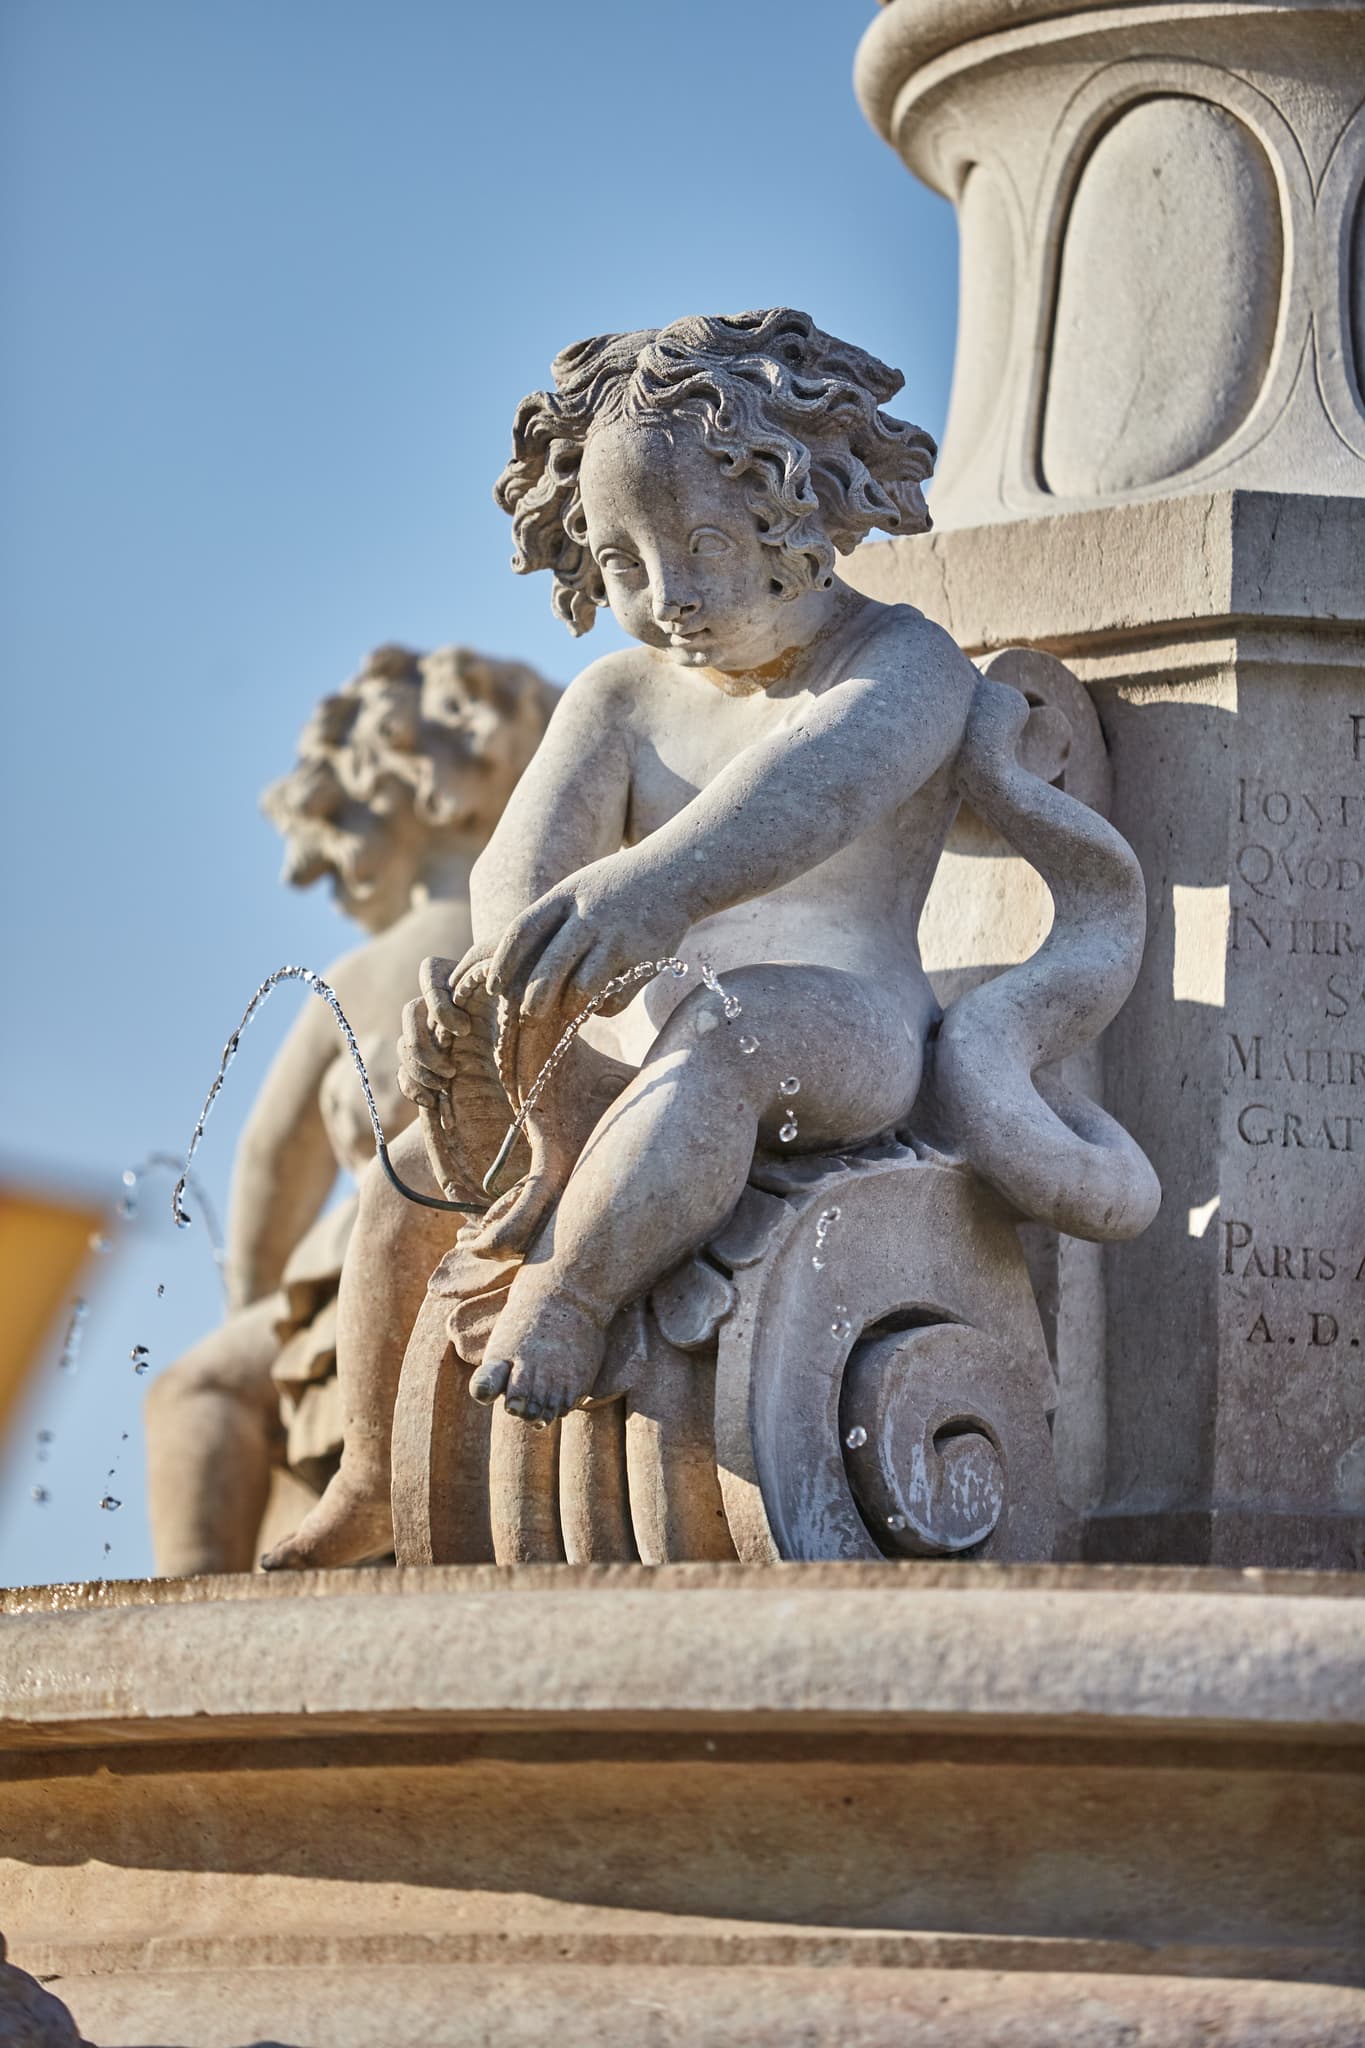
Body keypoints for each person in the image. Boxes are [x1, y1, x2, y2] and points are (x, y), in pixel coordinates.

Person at [263, 307, 1156, 1572]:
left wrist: (655, 888)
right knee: (407, 1163)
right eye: (622, 559)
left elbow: (814, 792)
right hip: (628, 1043)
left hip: (838, 1025)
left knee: (726, 1036)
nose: (667, 596)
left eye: (707, 545)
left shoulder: (899, 666)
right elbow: (524, 858)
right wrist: (518, 969)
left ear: (802, 508)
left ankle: (569, 1296)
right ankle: (369, 1467)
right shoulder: (620, 696)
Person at [146, 644, 554, 1573]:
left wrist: (263, 1318)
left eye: (341, 821)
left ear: (411, 793)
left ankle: (186, 1610)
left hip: (370, 1272)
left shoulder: (366, 969)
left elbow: (266, 1167)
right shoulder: (550, 924)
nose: (314, 872)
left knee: (194, 1388)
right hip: (545, 1234)